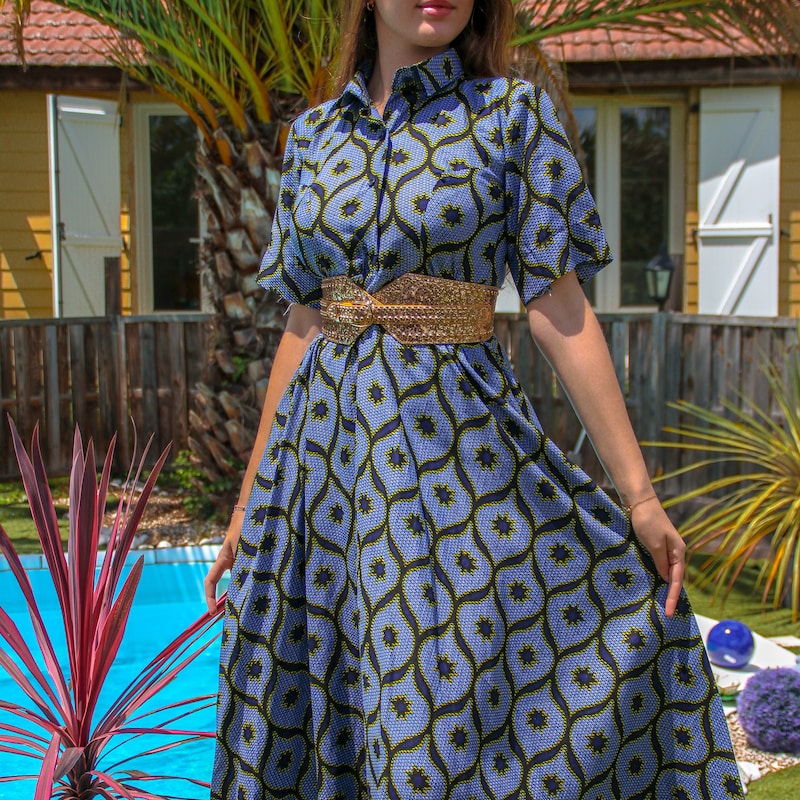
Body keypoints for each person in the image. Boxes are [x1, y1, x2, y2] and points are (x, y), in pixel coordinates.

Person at [206, 1, 743, 798]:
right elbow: (304, 322)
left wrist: (639, 498)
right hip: (321, 478)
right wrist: (249, 509)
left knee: (435, 726)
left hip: (454, 467)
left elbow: (559, 308)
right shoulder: (314, 136)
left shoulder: (510, 115)